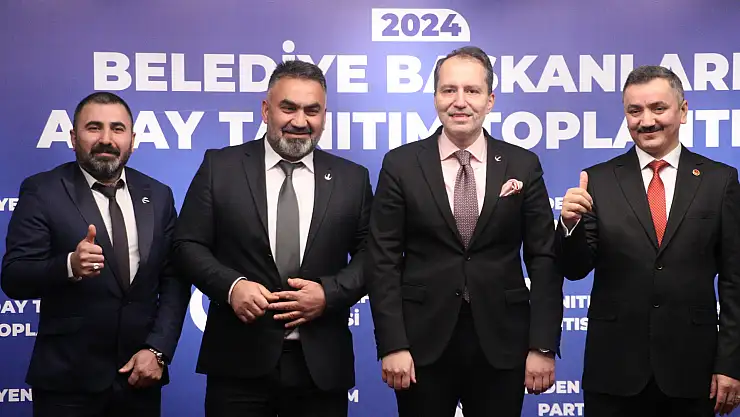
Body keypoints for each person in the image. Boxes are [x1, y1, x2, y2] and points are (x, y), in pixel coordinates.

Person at [365, 46, 564, 417]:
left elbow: (544, 260)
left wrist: (542, 345)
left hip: (503, 343)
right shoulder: (400, 164)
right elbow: (383, 260)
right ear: (435, 97)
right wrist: (392, 344)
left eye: (471, 90)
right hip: (421, 344)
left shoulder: (523, 164)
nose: (460, 101)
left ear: (490, 100)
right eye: (449, 90)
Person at [172, 60, 372, 417]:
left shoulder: (352, 179)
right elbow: (186, 244)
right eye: (288, 108)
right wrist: (232, 287)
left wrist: (329, 294)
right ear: (266, 110)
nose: (300, 121)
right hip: (237, 363)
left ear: (324, 116)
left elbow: (373, 255)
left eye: (312, 110)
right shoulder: (220, 167)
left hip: (321, 367)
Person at [558, 65, 740, 417]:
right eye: (635, 110)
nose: (646, 121)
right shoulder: (598, 180)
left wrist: (731, 362)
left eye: (658, 108)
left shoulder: (720, 181)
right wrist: (569, 225)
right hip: (614, 371)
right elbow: (574, 268)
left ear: (682, 111)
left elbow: (735, 280)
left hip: (693, 370)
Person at [1, 92, 191, 417]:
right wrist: (69, 266)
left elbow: (174, 279)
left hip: (139, 376)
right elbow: (15, 276)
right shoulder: (43, 190)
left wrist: (158, 350)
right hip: (67, 381)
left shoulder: (158, 195)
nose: (106, 139)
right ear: (73, 138)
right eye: (94, 127)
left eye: (117, 128)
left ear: (133, 140)